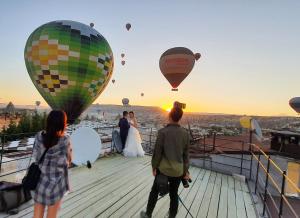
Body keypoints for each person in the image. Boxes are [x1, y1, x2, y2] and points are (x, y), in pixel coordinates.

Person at [140, 107, 190, 218]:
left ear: (169, 116)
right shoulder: (185, 134)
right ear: (180, 118)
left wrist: (154, 167)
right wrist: (186, 171)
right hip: (178, 171)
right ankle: (172, 216)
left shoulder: (163, 132)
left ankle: (148, 214)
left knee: (154, 192)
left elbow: (157, 152)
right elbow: (186, 155)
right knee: (174, 194)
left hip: (163, 170)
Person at [33, 110, 73, 218]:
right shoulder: (65, 140)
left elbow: (36, 158)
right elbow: (69, 160)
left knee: (37, 213)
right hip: (57, 184)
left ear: (48, 121)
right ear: (62, 124)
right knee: (51, 215)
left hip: (40, 181)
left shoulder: (39, 137)